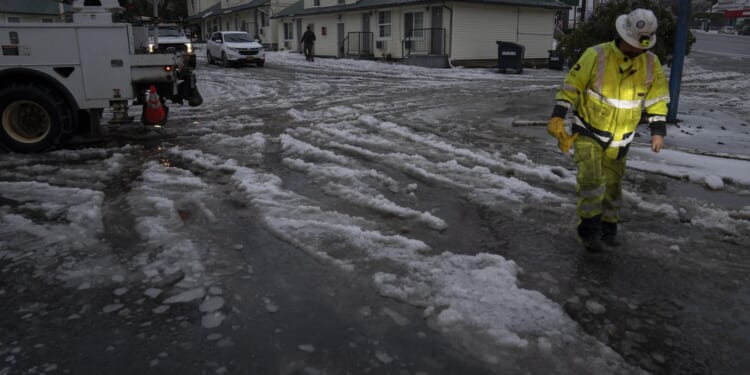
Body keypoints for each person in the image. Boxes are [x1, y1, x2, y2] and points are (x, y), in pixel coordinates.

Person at [546, 8, 670, 252]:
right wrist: (558, 116)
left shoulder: (650, 62)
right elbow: (572, 86)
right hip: (588, 130)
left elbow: (657, 98)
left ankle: (608, 228)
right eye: (634, 43)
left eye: (641, 45)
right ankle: (589, 231)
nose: (637, 50)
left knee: (613, 185)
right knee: (591, 181)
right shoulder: (597, 55)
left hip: (621, 137)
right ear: (623, 35)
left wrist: (658, 130)